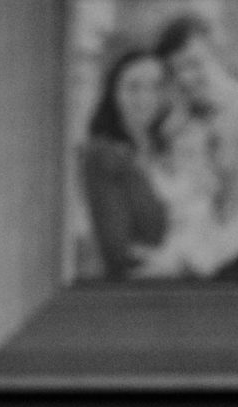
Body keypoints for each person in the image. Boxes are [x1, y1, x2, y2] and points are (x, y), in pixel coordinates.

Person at [148, 12, 238, 282]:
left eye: (194, 64)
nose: (185, 78)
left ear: (219, 55)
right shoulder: (183, 126)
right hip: (206, 266)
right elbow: (189, 209)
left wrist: (188, 260)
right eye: (175, 71)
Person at [77, 47, 177, 281]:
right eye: (133, 87)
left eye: (156, 86)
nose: (145, 97)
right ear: (113, 92)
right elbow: (118, 251)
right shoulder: (103, 155)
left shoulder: (169, 147)